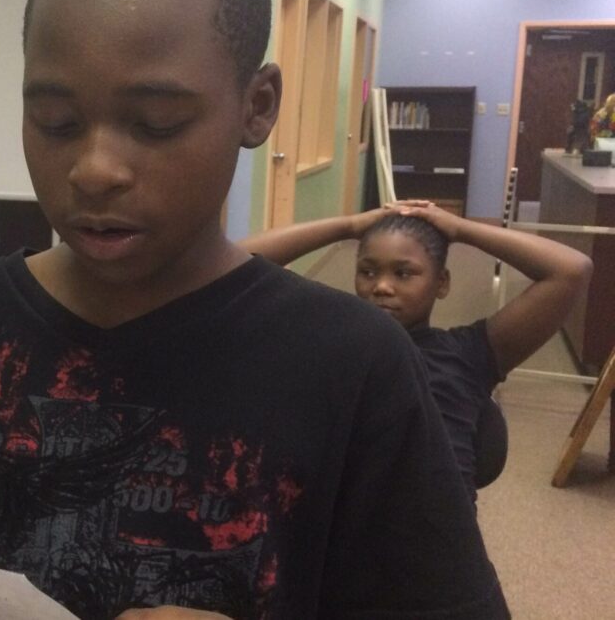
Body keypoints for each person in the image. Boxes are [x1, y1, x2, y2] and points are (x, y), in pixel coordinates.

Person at [0, 0, 510, 617]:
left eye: (156, 124)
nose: (95, 169)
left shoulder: (355, 362)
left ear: (257, 105)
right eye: (56, 121)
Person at [239, 200, 592, 497]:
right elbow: (237, 266)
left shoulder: (469, 354)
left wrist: (461, 229)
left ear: (442, 283)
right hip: (348, 546)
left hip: (440, 554)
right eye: (367, 271)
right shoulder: (335, 344)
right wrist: (348, 225)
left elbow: (571, 270)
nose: (381, 287)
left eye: (403, 273)